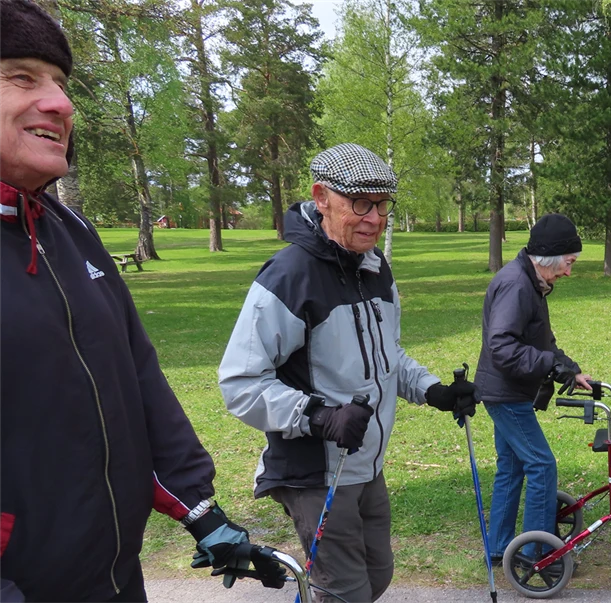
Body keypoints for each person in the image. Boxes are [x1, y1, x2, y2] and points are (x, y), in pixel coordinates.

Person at [0, 1, 278, 602]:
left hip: (115, 579)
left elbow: (138, 379)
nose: (61, 103)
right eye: (21, 77)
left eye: (61, 84)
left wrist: (199, 510)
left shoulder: (71, 233)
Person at [218, 142, 478, 603]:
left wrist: (433, 390)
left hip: (364, 464)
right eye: (359, 203)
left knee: (377, 576)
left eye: (381, 205)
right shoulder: (289, 276)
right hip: (314, 472)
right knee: (347, 593)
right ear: (321, 197)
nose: (374, 217)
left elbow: (387, 356)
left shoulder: (374, 268)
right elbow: (240, 383)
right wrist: (318, 416)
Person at [473, 213, 593, 566]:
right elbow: (502, 346)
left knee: (511, 469)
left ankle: (499, 549)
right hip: (506, 395)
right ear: (551, 257)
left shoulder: (532, 281)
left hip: (508, 391)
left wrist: (569, 369)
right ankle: (538, 553)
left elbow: (540, 339)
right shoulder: (517, 285)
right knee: (541, 466)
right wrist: (549, 365)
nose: (570, 271)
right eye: (569, 262)